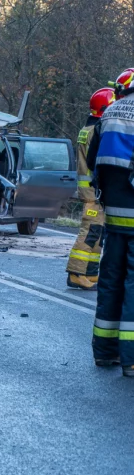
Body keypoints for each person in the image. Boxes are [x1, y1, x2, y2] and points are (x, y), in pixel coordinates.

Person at [87, 68, 134, 376]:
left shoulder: (110, 111)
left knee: (111, 280)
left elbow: (93, 160)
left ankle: (105, 352)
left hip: (114, 215)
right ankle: (131, 359)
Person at [66, 87, 114, 290]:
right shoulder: (97, 131)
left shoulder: (89, 128)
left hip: (91, 192)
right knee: (90, 232)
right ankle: (76, 273)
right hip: (94, 192)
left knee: (98, 232)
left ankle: (90, 272)